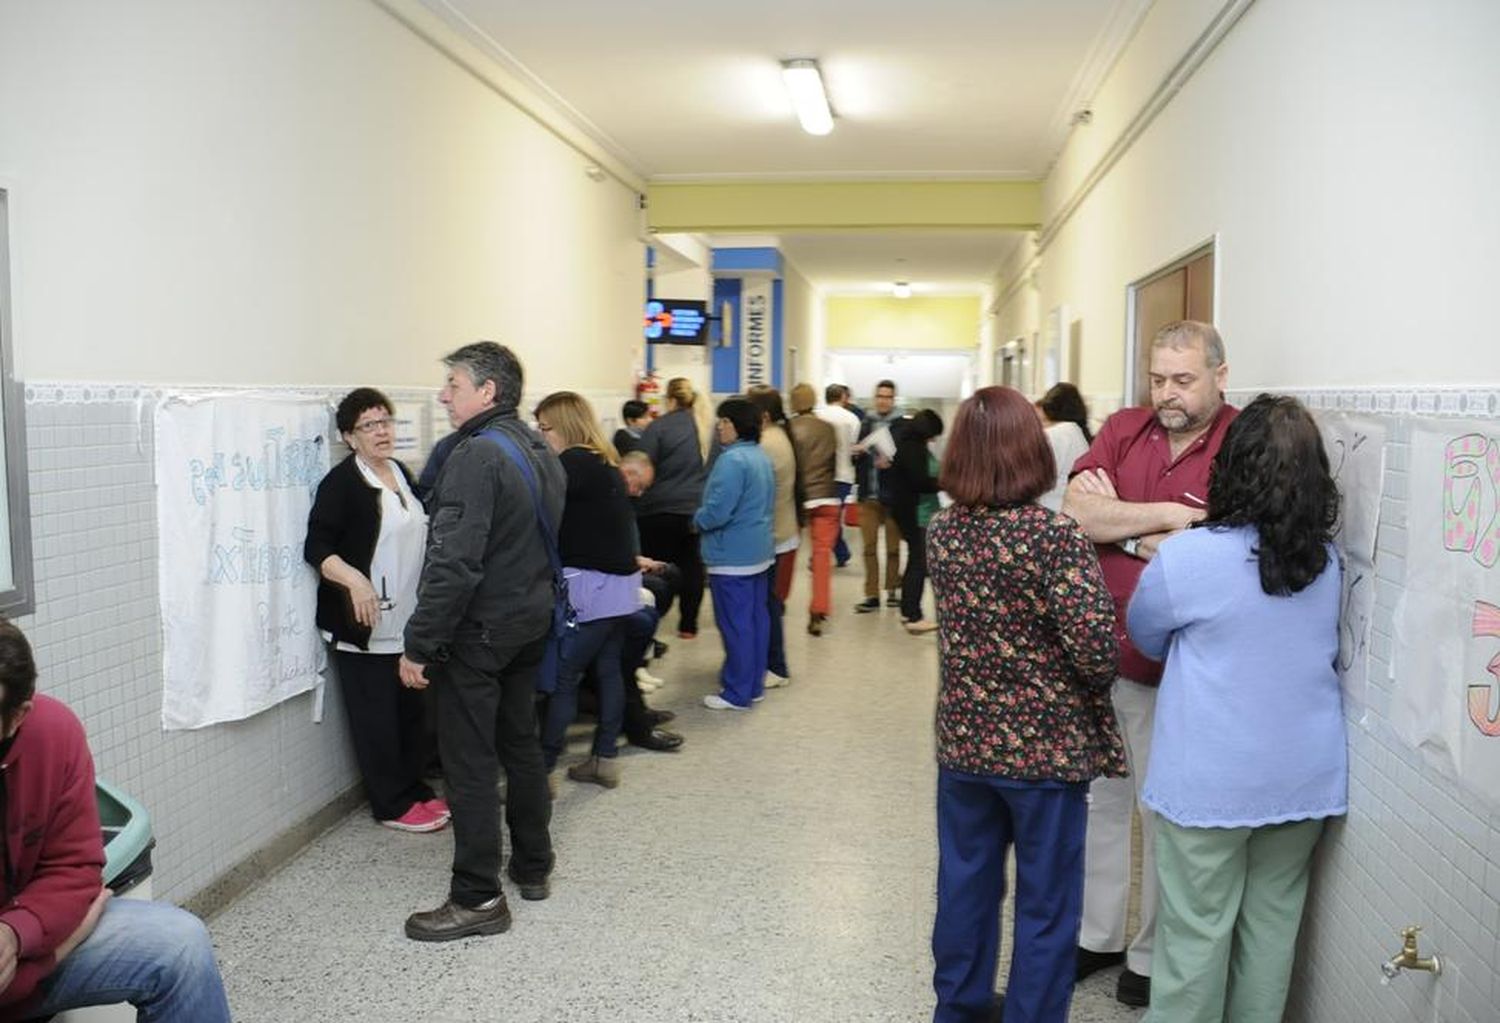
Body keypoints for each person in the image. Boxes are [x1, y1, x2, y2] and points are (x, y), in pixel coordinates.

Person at [1127, 395, 1346, 1023]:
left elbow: (1145, 638)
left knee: (1195, 935)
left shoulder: (1188, 558)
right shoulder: (1327, 563)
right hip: (1303, 780)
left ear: (1232, 467)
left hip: (1209, 784)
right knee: (1272, 933)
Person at [927, 387, 1124, 1023]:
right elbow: (1095, 651)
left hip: (964, 744)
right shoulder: (1054, 537)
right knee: (1045, 904)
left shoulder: (943, 532)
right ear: (1032, 452)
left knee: (965, 886)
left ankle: (957, 1009)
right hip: (1045, 756)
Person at [1062, 320, 1238, 1007]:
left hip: (1181, 667)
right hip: (1100, 651)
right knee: (1100, 800)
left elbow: (1219, 542)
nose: (1167, 393)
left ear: (1220, 375)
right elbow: (1076, 510)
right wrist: (1164, 520)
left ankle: (1148, 952)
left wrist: (1121, 519)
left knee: (1163, 812)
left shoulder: (1239, 442)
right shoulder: (1125, 427)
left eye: (1183, 379)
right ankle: (1098, 934)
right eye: (1158, 377)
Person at [399, 341, 561, 942]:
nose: (444, 395)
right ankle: (534, 865)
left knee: (468, 765)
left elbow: (454, 566)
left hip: (480, 635)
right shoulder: (540, 448)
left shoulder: (474, 457)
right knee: (520, 745)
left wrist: (418, 644)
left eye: (455, 385)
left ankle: (477, 897)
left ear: (487, 392)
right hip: (528, 625)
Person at [0, 619, 233, 1022]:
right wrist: (52, 954)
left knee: (181, 946)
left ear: (18, 716)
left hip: (27, 942)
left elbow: (74, 868)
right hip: (37, 959)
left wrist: (18, 934)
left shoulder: (54, 733)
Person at [305, 388, 447, 833]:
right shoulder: (343, 483)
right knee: (377, 720)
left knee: (411, 713)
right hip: (362, 626)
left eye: (386, 420)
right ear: (349, 437)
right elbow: (317, 546)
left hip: (407, 619)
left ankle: (415, 789)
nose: (382, 430)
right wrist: (353, 580)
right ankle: (390, 804)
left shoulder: (400, 473)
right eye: (369, 425)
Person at [534, 391, 642, 790]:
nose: (541, 436)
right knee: (610, 670)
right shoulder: (605, 460)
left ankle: (541, 773)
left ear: (564, 426)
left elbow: (542, 518)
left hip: (589, 588)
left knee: (564, 676)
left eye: (545, 428)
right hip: (620, 586)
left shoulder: (571, 464)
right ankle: (604, 759)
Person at [693, 398, 775, 710]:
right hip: (758, 551)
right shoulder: (759, 457)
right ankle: (752, 685)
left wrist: (697, 519)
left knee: (735, 625)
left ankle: (737, 693)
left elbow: (718, 511)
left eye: (724, 422)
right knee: (756, 621)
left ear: (738, 426)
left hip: (731, 557)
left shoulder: (731, 461)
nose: (719, 427)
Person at [636, 377, 712, 638]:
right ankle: (688, 626)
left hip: (658, 509)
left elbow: (642, 466)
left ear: (669, 399)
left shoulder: (659, 427)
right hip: (694, 511)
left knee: (656, 568)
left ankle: (651, 624)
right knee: (692, 566)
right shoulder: (705, 428)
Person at [746, 386, 800, 685]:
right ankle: (772, 663)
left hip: (774, 535)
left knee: (769, 605)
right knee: (770, 603)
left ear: (763, 415)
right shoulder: (778, 436)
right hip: (781, 532)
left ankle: (776, 667)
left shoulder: (766, 444)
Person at [789, 383, 840, 636]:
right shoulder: (828, 429)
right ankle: (819, 609)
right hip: (827, 498)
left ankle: (778, 600)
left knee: (786, 553)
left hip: (798, 500)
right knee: (821, 557)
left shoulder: (788, 429)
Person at [887, 409, 944, 634]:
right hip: (917, 514)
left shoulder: (909, 446)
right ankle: (913, 615)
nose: (935, 438)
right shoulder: (913, 450)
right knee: (919, 563)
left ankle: (908, 609)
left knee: (916, 562)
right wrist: (944, 482)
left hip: (917, 512)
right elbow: (920, 482)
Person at [852, 379, 905, 612]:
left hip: (893, 497)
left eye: (888, 397)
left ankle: (892, 589)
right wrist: (857, 453)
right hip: (869, 496)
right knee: (869, 548)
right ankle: (871, 595)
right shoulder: (865, 423)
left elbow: (907, 460)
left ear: (893, 400)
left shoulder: (902, 426)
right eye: (880, 396)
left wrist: (892, 462)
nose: (883, 401)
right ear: (875, 398)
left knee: (893, 548)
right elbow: (855, 455)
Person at [815, 383, 861, 567]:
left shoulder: (817, 417)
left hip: (820, 475)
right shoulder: (852, 419)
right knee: (833, 518)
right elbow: (854, 448)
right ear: (843, 397)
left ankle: (835, 553)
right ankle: (835, 553)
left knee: (823, 517)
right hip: (843, 474)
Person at [1035, 382, 1093, 513]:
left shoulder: (1056, 435)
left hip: (1052, 514)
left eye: (1042, 421)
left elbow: (1033, 482)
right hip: (1073, 515)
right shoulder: (1078, 433)